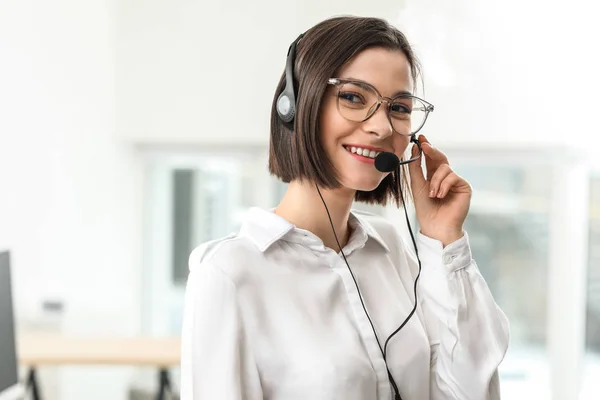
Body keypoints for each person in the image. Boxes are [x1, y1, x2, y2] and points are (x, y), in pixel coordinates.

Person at [180, 15, 509, 400]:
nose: (382, 127)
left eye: (399, 108)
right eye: (354, 97)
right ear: (297, 106)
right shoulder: (230, 273)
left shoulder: (390, 250)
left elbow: (470, 392)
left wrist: (444, 240)